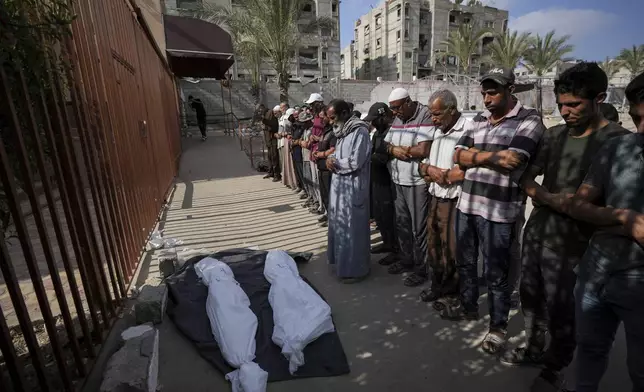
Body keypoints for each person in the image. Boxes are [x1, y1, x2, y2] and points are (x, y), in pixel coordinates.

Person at [501, 62, 631, 390]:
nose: (565, 111)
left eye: (574, 104)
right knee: (530, 296)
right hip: (538, 232)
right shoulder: (555, 135)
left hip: (578, 244)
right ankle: (534, 346)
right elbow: (527, 176)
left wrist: (575, 207)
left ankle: (556, 365)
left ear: (599, 98)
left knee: (564, 308)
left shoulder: (617, 141)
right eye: (561, 104)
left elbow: (621, 201)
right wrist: (548, 198)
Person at [449, 67, 545, 355]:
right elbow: (457, 155)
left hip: (499, 212)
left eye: (493, 92)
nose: (487, 99)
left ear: (510, 90)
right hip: (467, 205)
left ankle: (498, 327)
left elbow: (513, 161)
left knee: (496, 273)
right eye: (484, 93)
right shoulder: (478, 119)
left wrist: (473, 157)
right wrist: (490, 157)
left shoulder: (529, 120)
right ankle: (468, 307)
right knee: (465, 262)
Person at [557, 72, 644, 392]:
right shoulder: (618, 149)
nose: (642, 128)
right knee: (590, 349)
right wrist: (625, 218)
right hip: (597, 271)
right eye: (637, 118)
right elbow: (578, 205)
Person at [418, 90, 468, 307]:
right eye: (431, 114)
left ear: (452, 110)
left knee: (451, 250)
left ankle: (451, 294)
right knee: (433, 245)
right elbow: (424, 166)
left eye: (437, 114)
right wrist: (429, 169)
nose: (433, 119)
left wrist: (442, 175)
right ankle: (437, 287)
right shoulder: (438, 130)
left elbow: (464, 170)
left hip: (453, 201)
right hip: (435, 197)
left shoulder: (467, 130)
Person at [384, 87, 434, 287]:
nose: (394, 113)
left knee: (419, 229)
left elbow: (423, 149)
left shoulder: (425, 115)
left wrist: (402, 150)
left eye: (396, 108)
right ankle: (407, 260)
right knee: (402, 224)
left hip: (417, 183)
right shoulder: (397, 119)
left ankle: (422, 270)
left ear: (407, 102)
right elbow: (386, 145)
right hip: (398, 180)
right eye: (392, 109)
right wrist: (396, 150)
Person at [326, 99, 372, 283]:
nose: (331, 122)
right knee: (341, 226)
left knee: (353, 230)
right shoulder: (342, 132)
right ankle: (342, 264)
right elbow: (338, 154)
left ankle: (357, 270)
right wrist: (331, 158)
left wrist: (334, 162)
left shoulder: (359, 131)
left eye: (333, 117)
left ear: (345, 113)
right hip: (339, 187)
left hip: (353, 187)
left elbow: (356, 161)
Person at [363, 102, 398, 265]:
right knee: (380, 216)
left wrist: (368, 158)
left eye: (375, 119)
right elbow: (373, 153)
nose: (373, 123)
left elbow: (383, 158)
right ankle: (386, 243)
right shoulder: (377, 133)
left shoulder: (392, 133)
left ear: (384, 117)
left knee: (390, 217)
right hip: (376, 179)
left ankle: (395, 250)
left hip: (387, 181)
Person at [314, 109, 336, 227]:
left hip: (328, 169)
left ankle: (333, 218)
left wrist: (321, 154)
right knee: (324, 194)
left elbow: (333, 149)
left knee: (330, 194)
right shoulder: (324, 132)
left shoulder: (332, 133)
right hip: (321, 167)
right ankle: (328, 214)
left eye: (324, 117)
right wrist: (317, 152)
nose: (322, 120)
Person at [305, 93, 326, 215]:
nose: (311, 107)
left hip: (320, 149)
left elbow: (329, 132)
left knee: (320, 181)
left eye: (312, 104)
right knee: (315, 180)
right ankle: (319, 203)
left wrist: (318, 138)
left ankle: (323, 207)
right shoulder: (315, 116)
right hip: (313, 149)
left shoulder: (324, 115)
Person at [279, 108, 298, 189]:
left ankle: (294, 182)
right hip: (287, 141)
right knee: (288, 162)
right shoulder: (285, 120)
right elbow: (280, 132)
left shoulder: (296, 122)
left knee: (291, 162)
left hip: (290, 141)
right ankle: (290, 181)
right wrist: (286, 133)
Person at [291, 111, 309, 197]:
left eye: (297, 116)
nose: (296, 118)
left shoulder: (302, 127)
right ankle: (300, 186)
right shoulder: (295, 125)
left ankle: (305, 189)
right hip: (295, 150)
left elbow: (301, 139)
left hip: (301, 150)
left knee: (302, 170)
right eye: (294, 117)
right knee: (297, 169)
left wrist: (297, 142)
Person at [262, 105, 281, 181]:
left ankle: (277, 174)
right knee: (270, 157)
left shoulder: (274, 118)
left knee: (274, 157)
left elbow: (273, 127)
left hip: (273, 141)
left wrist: (264, 121)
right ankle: (271, 172)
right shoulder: (269, 116)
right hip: (269, 141)